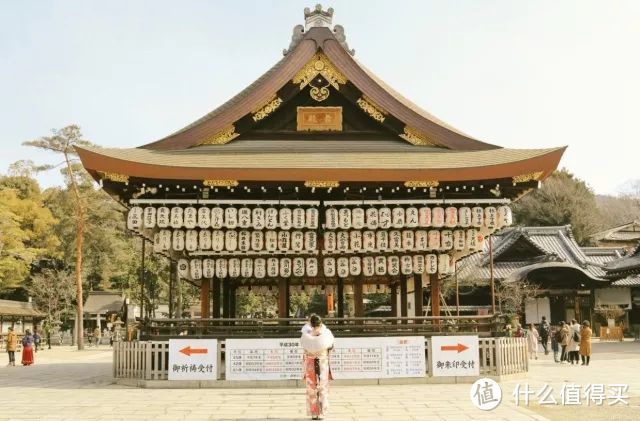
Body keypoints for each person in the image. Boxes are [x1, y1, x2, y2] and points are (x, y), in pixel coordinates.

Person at [300, 314, 335, 420]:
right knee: (323, 387)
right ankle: (322, 413)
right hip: (322, 362)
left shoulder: (306, 335)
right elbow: (331, 346)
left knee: (311, 388)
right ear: (321, 323)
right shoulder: (326, 334)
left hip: (310, 362)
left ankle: (314, 413)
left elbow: (304, 348)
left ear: (310, 324)